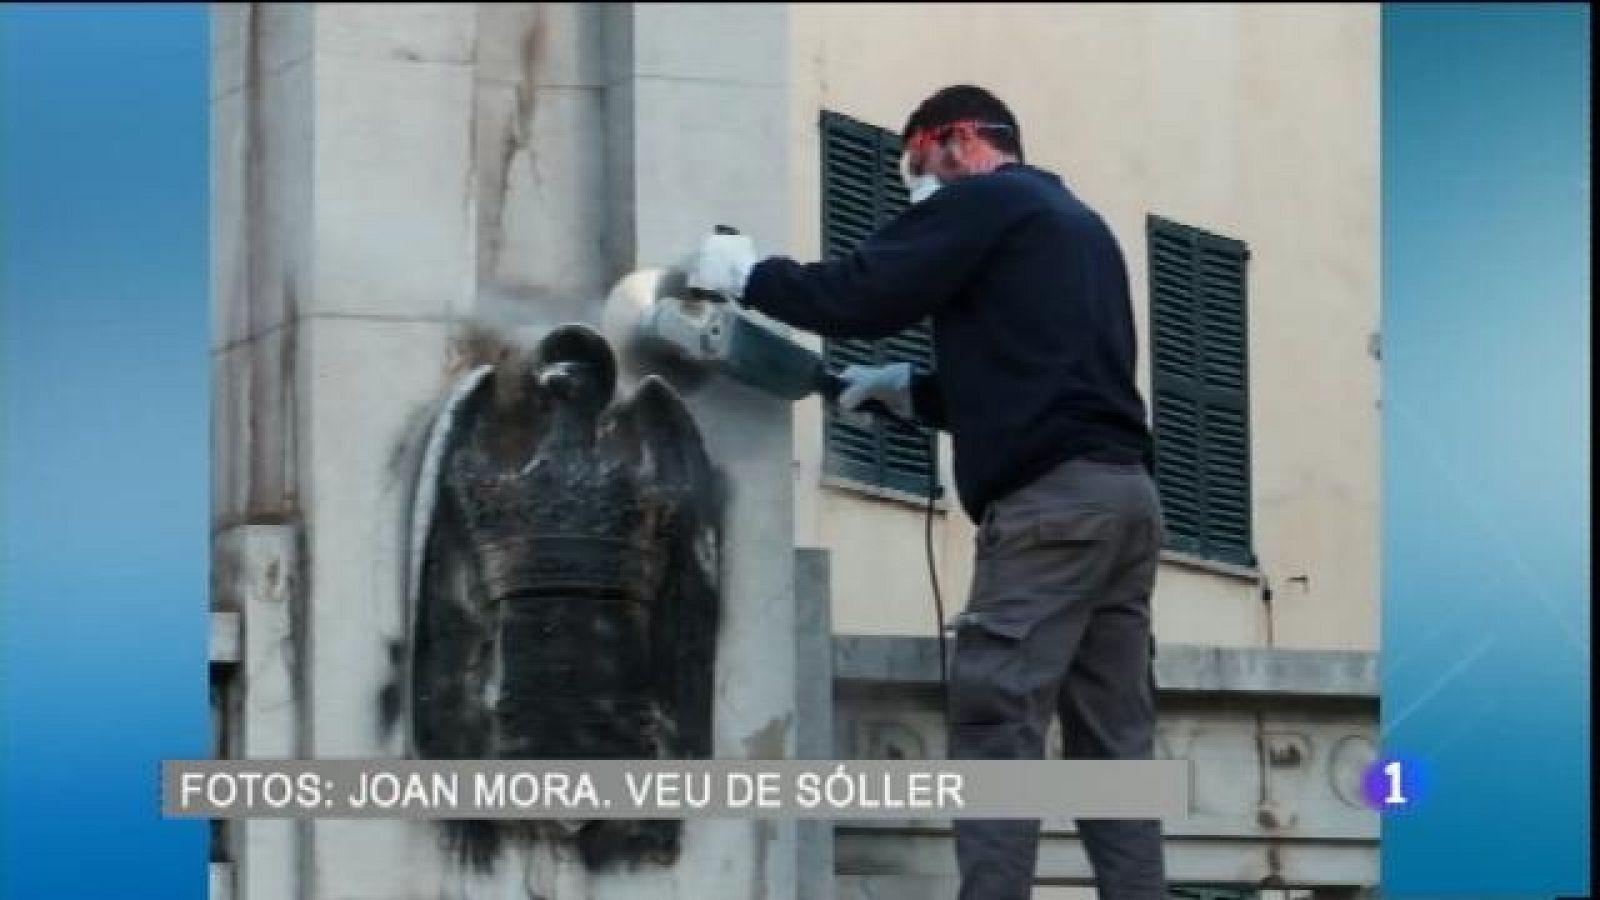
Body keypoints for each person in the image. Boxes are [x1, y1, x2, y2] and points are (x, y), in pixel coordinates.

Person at [689, 84, 1168, 900]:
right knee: (1113, 749)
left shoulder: (988, 199)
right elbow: (1044, 374)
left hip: (1051, 512)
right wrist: (912, 390)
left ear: (957, 141)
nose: (915, 184)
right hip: (1124, 505)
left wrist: (750, 276)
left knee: (995, 729)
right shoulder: (1079, 228)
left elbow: (860, 296)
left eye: (915, 163)